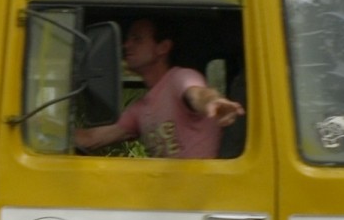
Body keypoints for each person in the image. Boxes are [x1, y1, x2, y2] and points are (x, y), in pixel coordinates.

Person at [74, 16, 243, 158]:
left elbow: (197, 93)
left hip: (210, 192)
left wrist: (213, 102)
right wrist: (52, 134)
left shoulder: (180, 77)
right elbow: (91, 139)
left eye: (137, 39)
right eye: (128, 40)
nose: (126, 45)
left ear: (163, 47)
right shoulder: (140, 110)